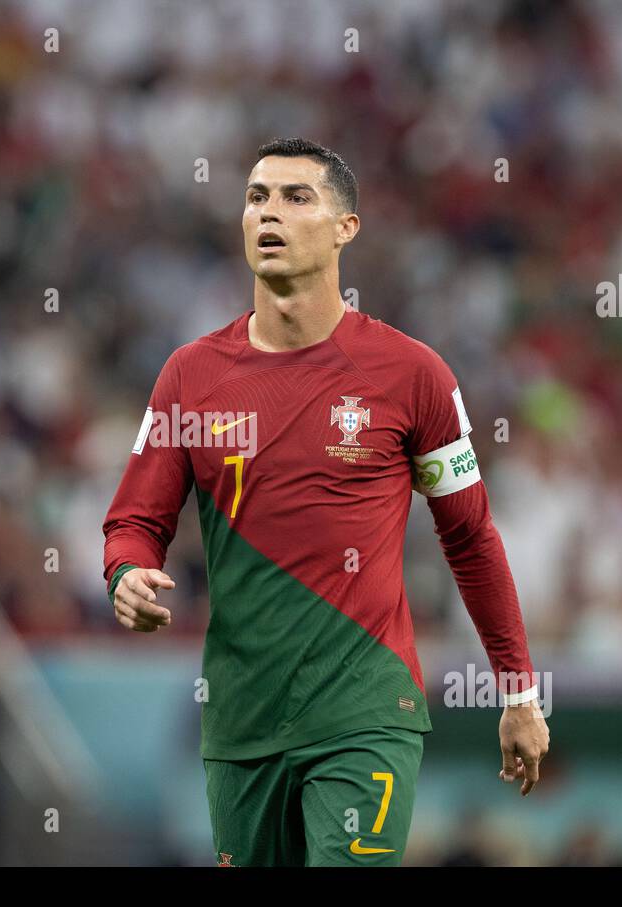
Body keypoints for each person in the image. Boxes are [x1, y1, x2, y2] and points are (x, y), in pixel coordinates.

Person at [102, 137, 548, 866]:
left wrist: (519, 691)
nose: (268, 213)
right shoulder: (190, 377)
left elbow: (470, 536)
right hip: (240, 724)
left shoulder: (413, 376)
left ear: (347, 227)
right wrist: (126, 573)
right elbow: (134, 520)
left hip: (364, 712)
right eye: (256, 198)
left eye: (295, 197)